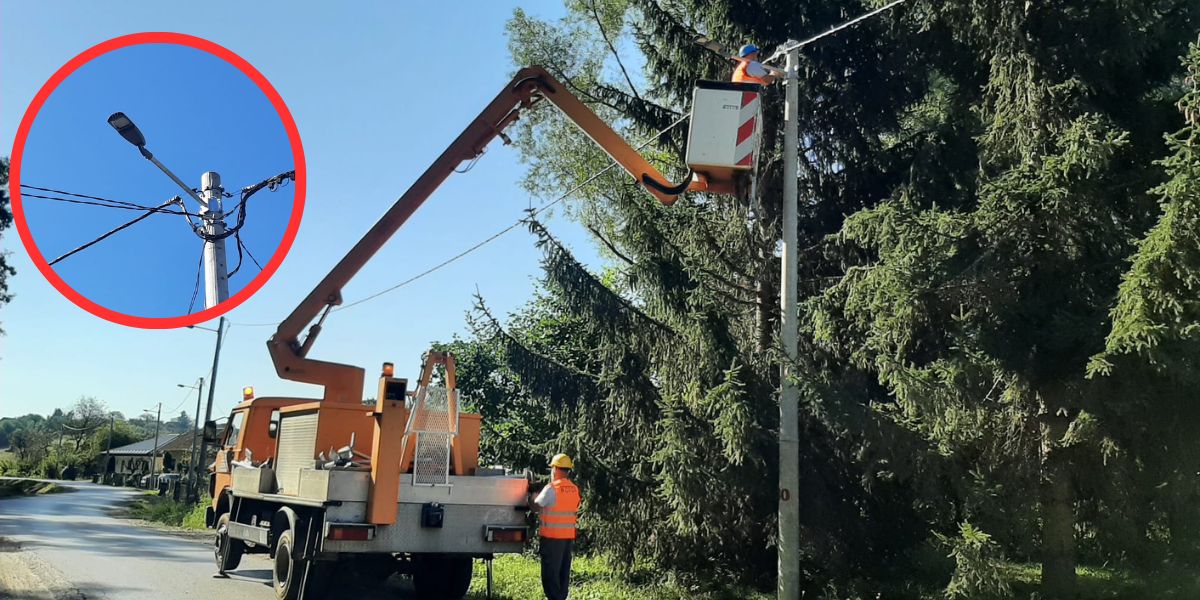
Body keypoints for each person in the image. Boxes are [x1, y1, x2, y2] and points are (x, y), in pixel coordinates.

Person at [528, 453, 580, 600]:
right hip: (567, 538)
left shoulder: (552, 488)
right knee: (563, 574)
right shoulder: (574, 489)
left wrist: (531, 496)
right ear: (568, 470)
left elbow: (536, 506)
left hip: (552, 538)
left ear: (556, 469)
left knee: (550, 575)